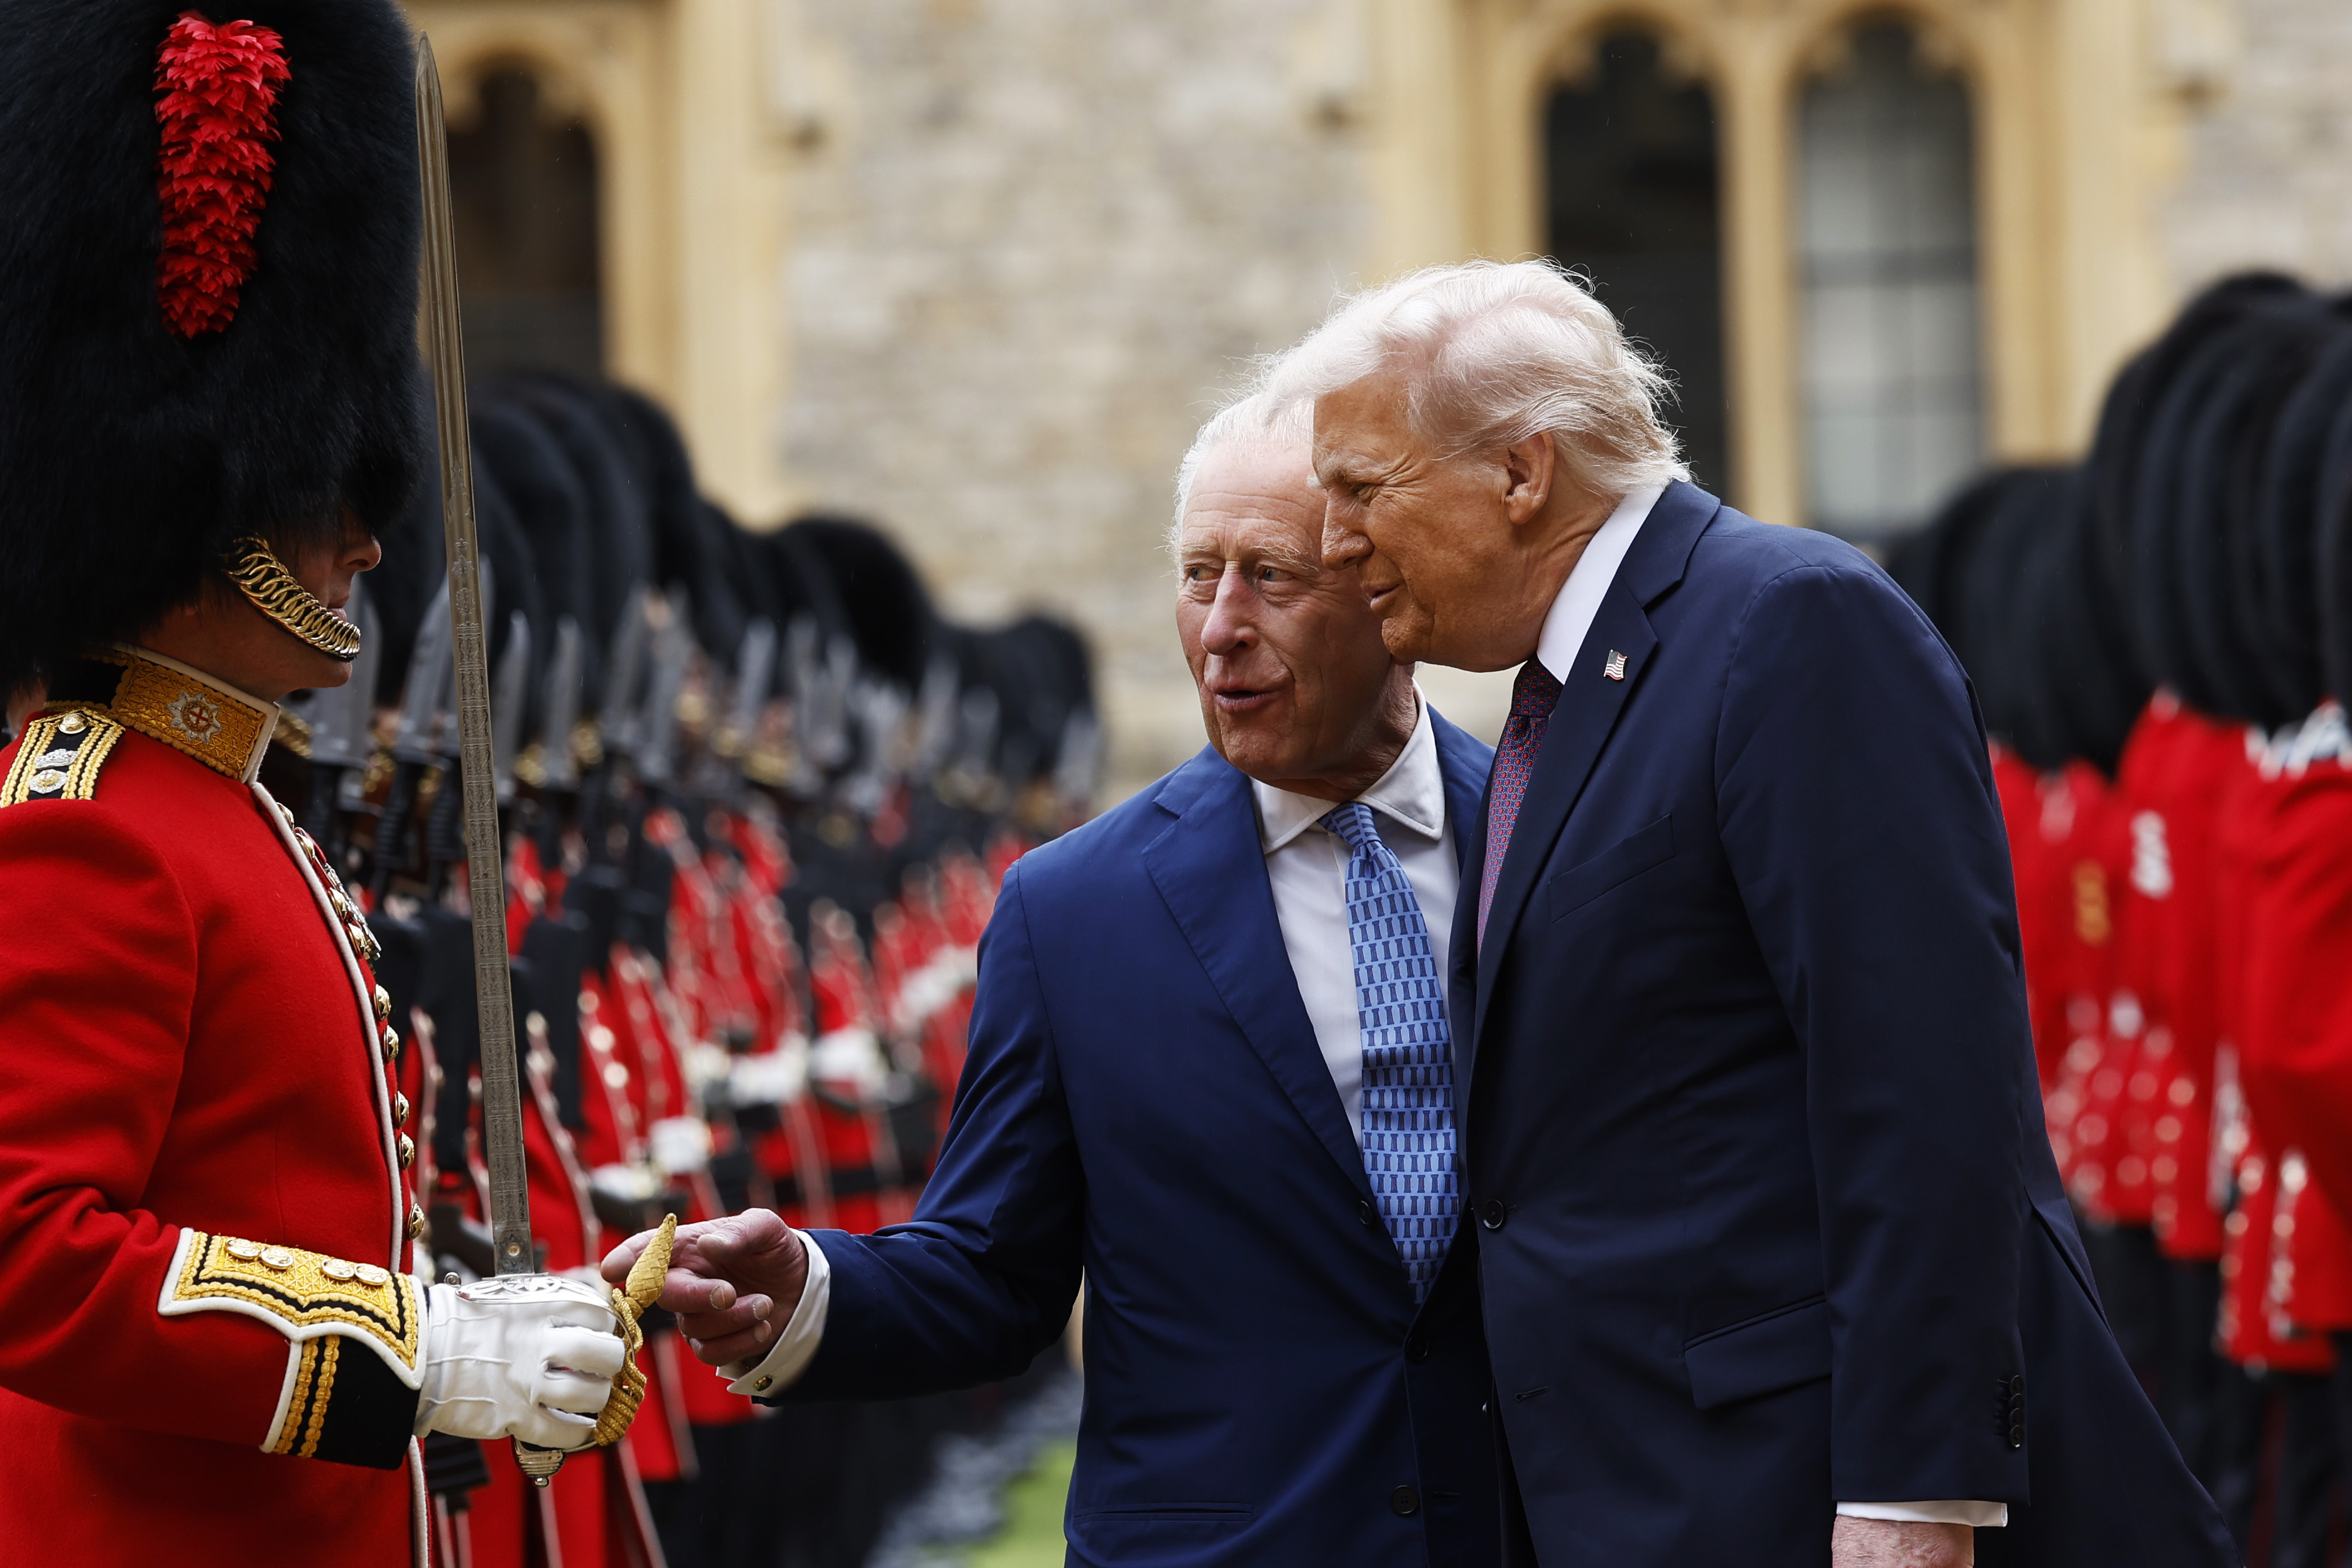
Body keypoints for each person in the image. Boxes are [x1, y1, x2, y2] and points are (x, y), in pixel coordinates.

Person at [1262, 259, 2236, 1567]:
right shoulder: (1585, 688)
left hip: (1801, 1486)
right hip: (1655, 1484)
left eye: (1360, 490)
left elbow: (1925, 1089)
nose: (1333, 543)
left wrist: (1917, 1487)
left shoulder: (1790, 625)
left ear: (1521, 471)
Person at [606, 400, 1500, 1565]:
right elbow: (992, 1267)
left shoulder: (1563, 836)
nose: (1218, 628)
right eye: (1196, 576)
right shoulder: (1074, 907)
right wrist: (810, 1288)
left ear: (1392, 594)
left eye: (1272, 578)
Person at [0, 4, 629, 1560]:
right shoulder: (95, 832)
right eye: (322, 495)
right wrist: (418, 1355)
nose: (367, 543)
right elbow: (34, 1256)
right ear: (203, 506)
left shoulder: (225, 808)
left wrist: (455, 1316)